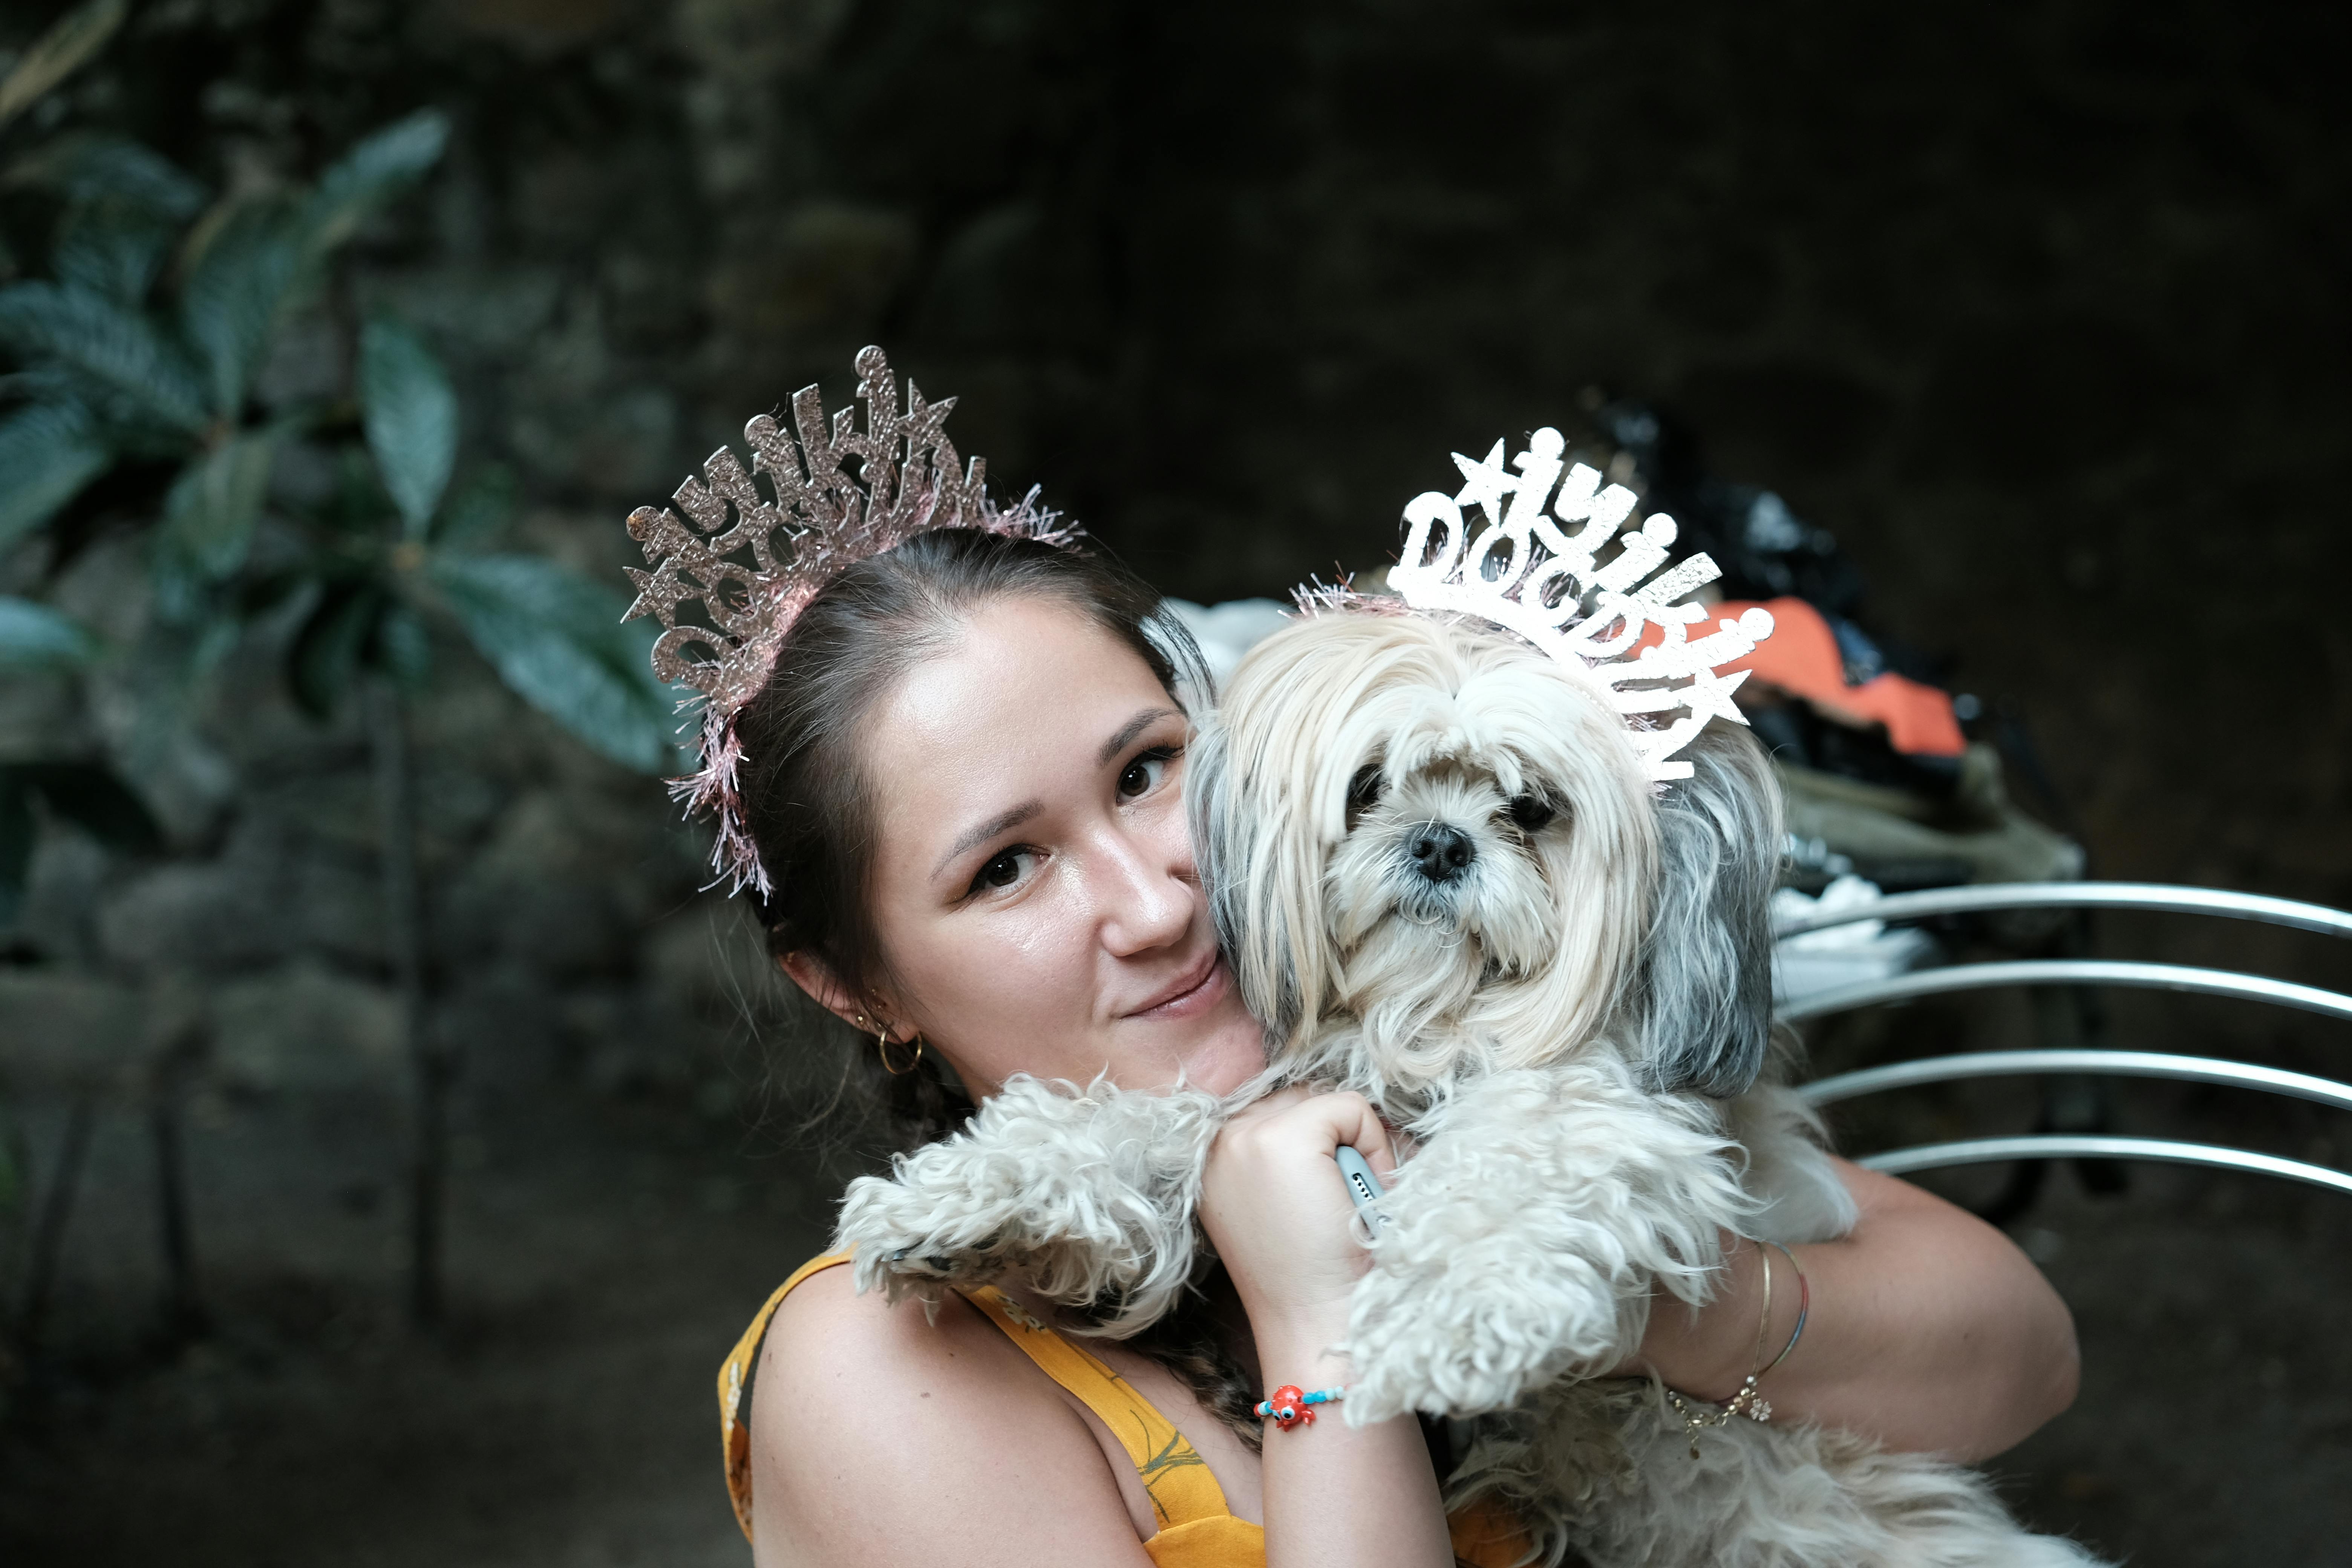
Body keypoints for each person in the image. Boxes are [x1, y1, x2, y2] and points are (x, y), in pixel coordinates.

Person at [692, 529, 2081, 1568]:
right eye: (1006, 869)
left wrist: (1625, 1296)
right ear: (853, 987)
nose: (1158, 900)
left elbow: (2021, 1358)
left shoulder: (1434, 1048)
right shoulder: (877, 1369)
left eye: (1147, 771)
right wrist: (1327, 1324)